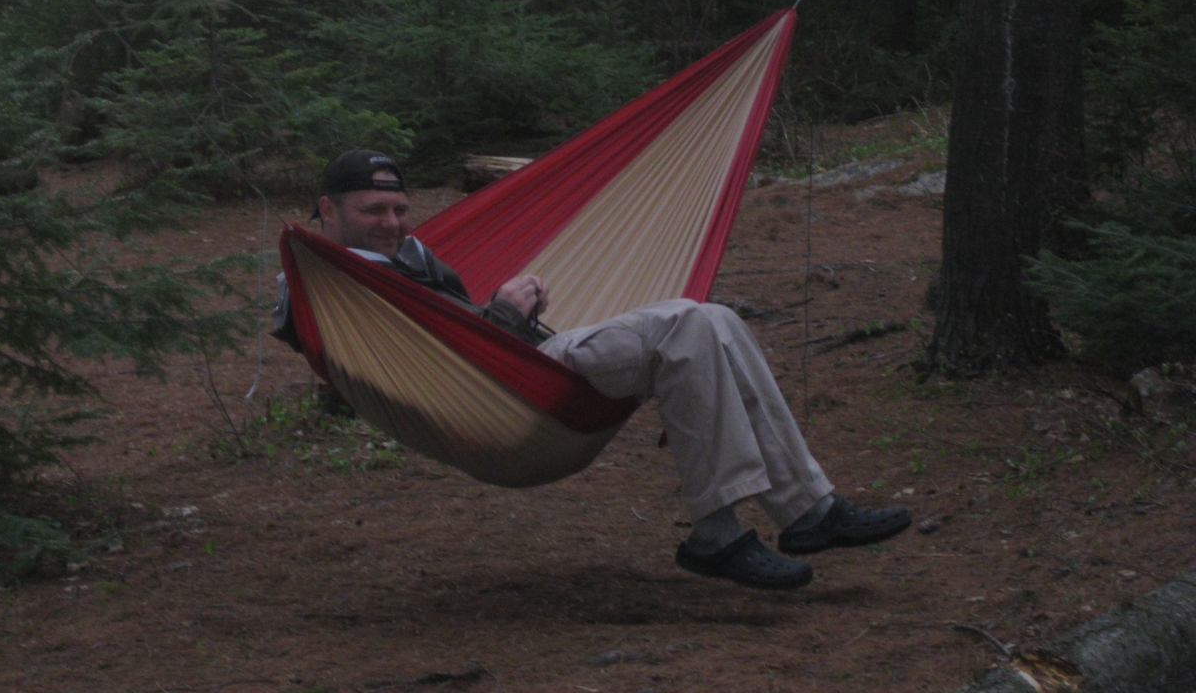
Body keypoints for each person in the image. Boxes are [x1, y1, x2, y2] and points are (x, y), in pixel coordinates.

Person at [274, 149, 911, 590]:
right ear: (326, 212)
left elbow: (453, 332)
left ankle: (808, 512)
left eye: (398, 211)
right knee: (687, 326)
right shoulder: (327, 291)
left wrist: (504, 320)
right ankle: (718, 533)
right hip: (493, 403)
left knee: (710, 319)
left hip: (527, 381)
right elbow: (421, 371)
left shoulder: (407, 255)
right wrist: (503, 318)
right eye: (371, 213)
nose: (391, 225)